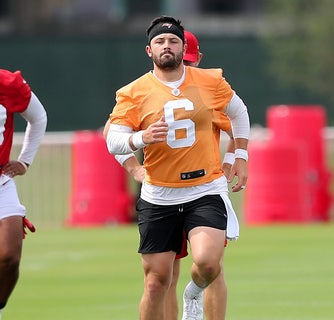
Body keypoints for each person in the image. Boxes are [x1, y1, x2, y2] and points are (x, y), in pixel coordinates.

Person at [105, 15, 250, 320]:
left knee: (211, 263)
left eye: (173, 40)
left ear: (183, 47)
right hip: (160, 194)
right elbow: (112, 138)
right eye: (160, 41)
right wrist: (138, 151)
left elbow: (237, 114)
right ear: (149, 50)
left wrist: (238, 158)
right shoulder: (133, 92)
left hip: (205, 187)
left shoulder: (210, 82)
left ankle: (193, 295)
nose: (166, 45)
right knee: (157, 281)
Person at [0, 69, 48, 319]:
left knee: (9, 257)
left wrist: (25, 160)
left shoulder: (5, 82)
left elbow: (38, 117)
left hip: (1, 182)